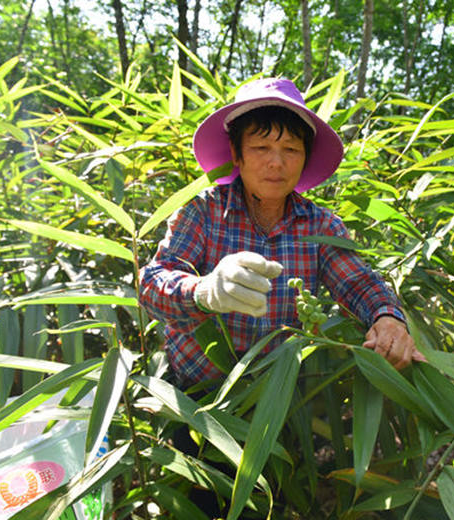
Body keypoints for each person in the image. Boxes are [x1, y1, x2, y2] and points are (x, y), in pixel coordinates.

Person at [139, 77, 424, 388]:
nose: (277, 162)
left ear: (304, 159)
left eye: (291, 149)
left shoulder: (320, 226)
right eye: (261, 147)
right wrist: (204, 291)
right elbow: (152, 284)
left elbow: (358, 283)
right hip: (197, 397)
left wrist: (388, 319)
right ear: (237, 154)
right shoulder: (202, 212)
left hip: (282, 398)